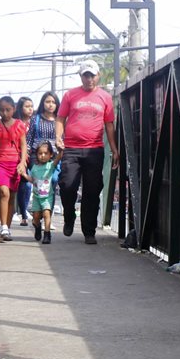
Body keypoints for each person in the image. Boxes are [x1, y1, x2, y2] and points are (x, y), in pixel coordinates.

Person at [55, 59, 117, 245]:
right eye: (86, 75)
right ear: (81, 76)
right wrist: (59, 137)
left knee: (92, 190)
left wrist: (114, 148)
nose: (89, 79)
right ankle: (69, 216)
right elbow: (60, 118)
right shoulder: (70, 95)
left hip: (94, 149)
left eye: (92, 75)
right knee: (67, 186)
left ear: (98, 76)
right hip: (71, 149)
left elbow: (109, 124)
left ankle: (89, 231)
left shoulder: (105, 97)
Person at [0, 95, 28, 241]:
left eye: (8, 110)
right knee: (4, 192)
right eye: (2, 110)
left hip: (14, 165)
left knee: (12, 196)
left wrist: (22, 163)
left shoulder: (19, 125)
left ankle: (6, 229)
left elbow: (23, 145)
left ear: (14, 109)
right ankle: (3, 227)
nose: (5, 113)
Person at [26, 140, 62, 245]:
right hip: (37, 197)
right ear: (36, 155)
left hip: (47, 197)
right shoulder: (34, 168)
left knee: (47, 213)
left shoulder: (51, 166)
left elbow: (58, 158)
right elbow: (32, 179)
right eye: (40, 153)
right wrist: (24, 174)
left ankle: (47, 234)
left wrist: (60, 151)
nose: (42, 156)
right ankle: (37, 226)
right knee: (36, 216)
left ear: (50, 155)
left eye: (45, 153)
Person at [14, 97, 34, 227]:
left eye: (32, 106)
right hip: (20, 158)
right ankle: (24, 214)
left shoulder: (35, 122)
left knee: (33, 184)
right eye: (27, 106)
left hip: (35, 157)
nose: (30, 109)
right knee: (24, 185)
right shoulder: (16, 123)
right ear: (21, 108)